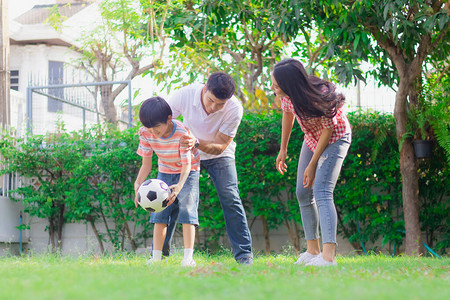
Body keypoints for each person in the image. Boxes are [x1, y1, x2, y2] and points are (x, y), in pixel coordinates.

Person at [163, 71, 253, 265]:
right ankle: (160, 253)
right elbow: (163, 120)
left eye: (220, 104)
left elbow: (220, 145)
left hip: (219, 155)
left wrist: (196, 142)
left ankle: (244, 255)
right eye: (211, 100)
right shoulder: (184, 95)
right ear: (205, 88)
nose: (214, 107)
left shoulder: (234, 108)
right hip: (187, 153)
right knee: (172, 195)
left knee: (230, 196)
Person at [271, 58, 352, 267]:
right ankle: (312, 251)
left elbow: (328, 130)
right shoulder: (287, 96)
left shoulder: (321, 97)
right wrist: (283, 149)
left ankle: (328, 257)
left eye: (276, 85)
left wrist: (313, 163)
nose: (273, 89)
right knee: (302, 191)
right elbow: (287, 116)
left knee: (322, 191)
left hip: (335, 138)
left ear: (289, 84)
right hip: (312, 138)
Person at [134, 96, 201, 267]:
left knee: (187, 212)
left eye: (156, 127)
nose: (153, 132)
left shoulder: (182, 133)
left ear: (169, 119)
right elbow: (146, 163)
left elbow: (186, 166)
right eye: (149, 128)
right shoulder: (145, 132)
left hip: (188, 171)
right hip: (164, 170)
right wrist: (138, 183)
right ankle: (156, 258)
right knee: (159, 214)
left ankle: (188, 258)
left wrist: (178, 188)